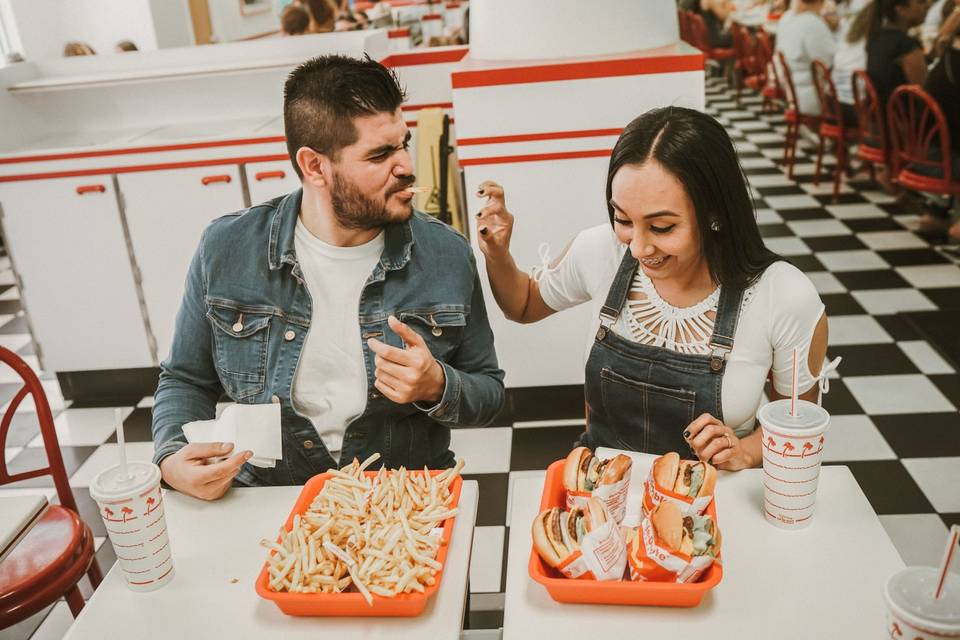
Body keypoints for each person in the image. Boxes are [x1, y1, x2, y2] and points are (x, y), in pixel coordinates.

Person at [152, 55, 505, 500]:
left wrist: (437, 384)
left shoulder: (447, 254)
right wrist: (171, 458)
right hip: (271, 498)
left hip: (404, 500)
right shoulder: (227, 248)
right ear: (315, 166)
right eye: (380, 154)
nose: (407, 166)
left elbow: (490, 391)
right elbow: (185, 380)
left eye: (403, 143)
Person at [476, 107, 833, 471]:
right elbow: (523, 305)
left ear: (715, 212)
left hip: (712, 505)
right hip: (606, 496)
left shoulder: (784, 295)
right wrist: (497, 254)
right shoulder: (601, 251)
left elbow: (798, 430)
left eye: (661, 227)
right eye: (623, 219)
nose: (637, 248)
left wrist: (744, 451)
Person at [776, 0, 838, 115]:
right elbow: (829, 61)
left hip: (791, 91)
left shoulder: (787, 17)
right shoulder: (813, 23)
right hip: (813, 97)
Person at [865, 0, 930, 107]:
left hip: (881, 116)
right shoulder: (906, 45)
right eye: (920, 2)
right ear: (901, 10)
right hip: (903, 119)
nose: (927, 6)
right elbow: (925, 93)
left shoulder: (877, 37)